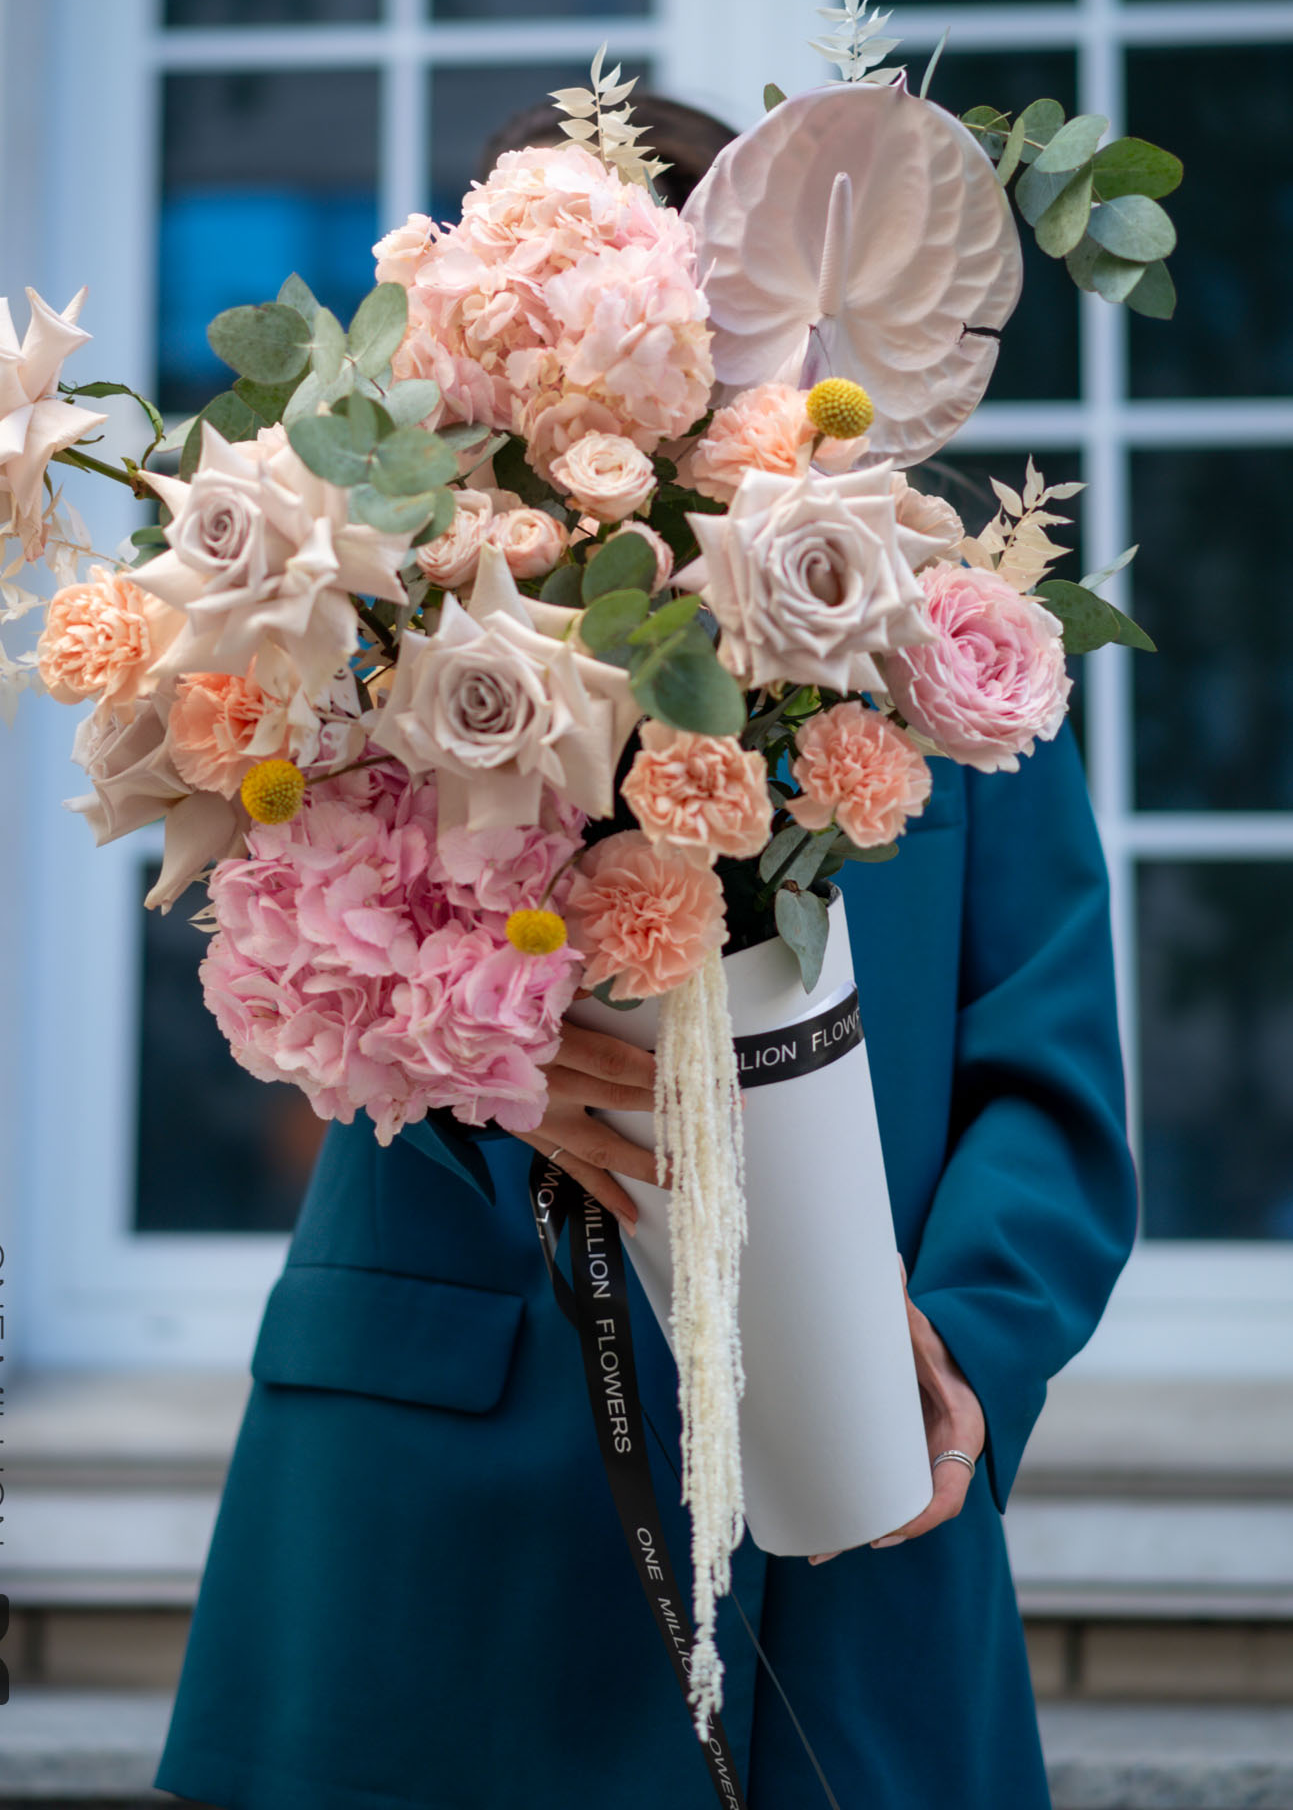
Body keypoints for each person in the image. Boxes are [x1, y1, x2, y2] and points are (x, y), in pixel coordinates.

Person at [153, 100, 1137, 1810]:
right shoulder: (370, 617)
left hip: (848, 1464)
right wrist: (464, 1054)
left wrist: (963, 1352)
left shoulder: (944, 639)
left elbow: (1047, 1085)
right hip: (440, 1487)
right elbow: (284, 967)